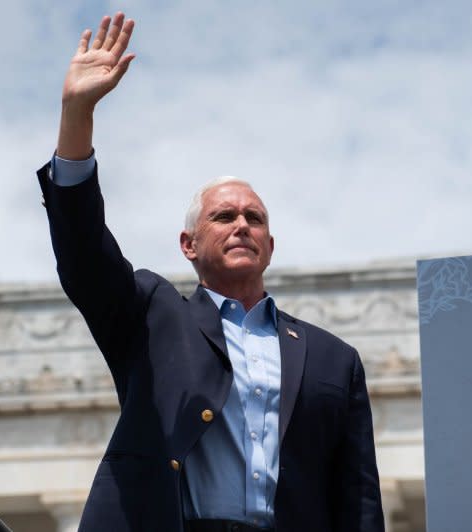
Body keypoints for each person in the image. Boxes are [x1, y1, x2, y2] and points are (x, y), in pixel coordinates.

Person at [38, 12, 384, 532]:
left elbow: (358, 502)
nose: (242, 225)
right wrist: (76, 117)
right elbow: (84, 250)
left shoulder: (335, 361)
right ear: (189, 245)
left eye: (255, 218)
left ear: (271, 245)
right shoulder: (151, 318)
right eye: (224, 217)